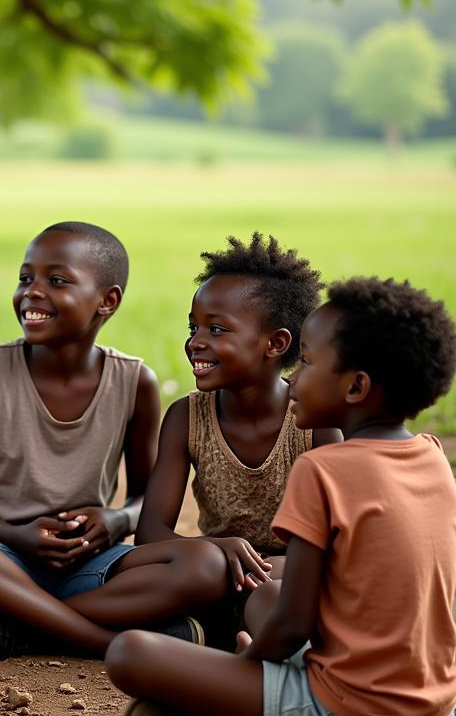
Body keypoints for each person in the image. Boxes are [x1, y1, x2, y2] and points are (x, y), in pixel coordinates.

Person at [106, 277, 456, 716]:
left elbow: (294, 624)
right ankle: (219, 707)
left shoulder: (322, 467)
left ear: (356, 387)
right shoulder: (433, 455)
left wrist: (244, 666)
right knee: (266, 596)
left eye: (308, 364)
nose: (296, 377)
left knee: (130, 653)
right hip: (436, 713)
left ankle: (211, 708)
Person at [0, 223, 228, 661]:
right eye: (25, 278)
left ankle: (17, 632)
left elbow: (145, 498)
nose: (32, 292)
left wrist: (116, 520)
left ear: (108, 301)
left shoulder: (134, 381)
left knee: (204, 566)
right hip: (1, 562)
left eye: (57, 281)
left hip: (89, 564)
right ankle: (99, 640)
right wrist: (18, 536)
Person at [135, 234, 340, 598]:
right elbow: (150, 533)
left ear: (275, 344)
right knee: (178, 572)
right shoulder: (187, 417)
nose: (195, 341)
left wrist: (250, 567)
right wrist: (217, 549)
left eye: (216, 329)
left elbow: (336, 541)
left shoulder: (314, 421)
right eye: (193, 327)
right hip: (217, 573)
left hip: (290, 580)